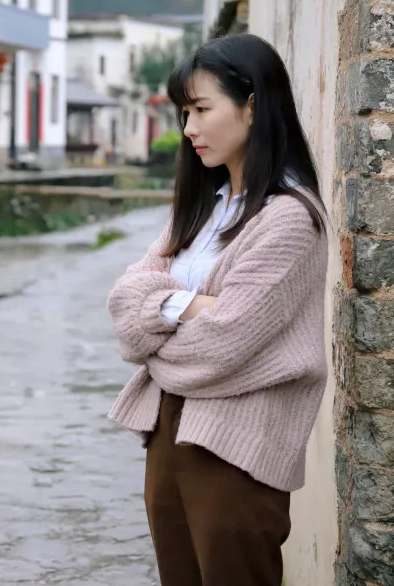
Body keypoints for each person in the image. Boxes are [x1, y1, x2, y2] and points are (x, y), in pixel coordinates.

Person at [106, 33, 329, 586]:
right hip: (166, 432)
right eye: (185, 112)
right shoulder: (201, 210)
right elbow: (123, 307)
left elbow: (221, 344)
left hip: (235, 449)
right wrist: (187, 305)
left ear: (252, 106)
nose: (188, 129)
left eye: (202, 109)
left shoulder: (288, 219)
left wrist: (160, 318)